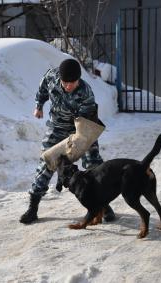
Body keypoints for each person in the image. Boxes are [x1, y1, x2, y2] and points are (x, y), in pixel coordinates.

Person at [19, 58, 115, 224]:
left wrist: (77, 144)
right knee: (46, 161)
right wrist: (39, 105)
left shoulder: (86, 93)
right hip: (57, 127)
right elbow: (42, 89)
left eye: (73, 82)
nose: (69, 86)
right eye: (65, 82)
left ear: (78, 79)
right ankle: (33, 208)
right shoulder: (51, 77)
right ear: (60, 79)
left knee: (94, 165)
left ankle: (104, 205)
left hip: (83, 127)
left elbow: (86, 124)